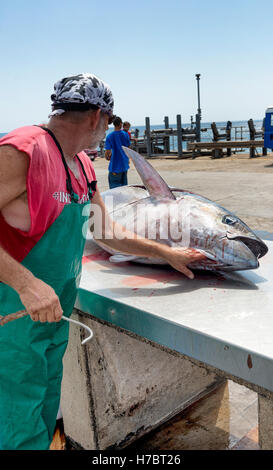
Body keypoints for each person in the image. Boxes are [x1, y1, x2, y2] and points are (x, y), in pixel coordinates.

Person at [0, 73, 205, 450]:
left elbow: (107, 233)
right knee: (14, 419)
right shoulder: (22, 150)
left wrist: (169, 253)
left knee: (43, 409)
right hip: (12, 320)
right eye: (109, 121)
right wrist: (26, 284)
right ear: (98, 116)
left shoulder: (80, 165)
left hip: (50, 317)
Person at [105, 116, 130, 188]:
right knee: (124, 188)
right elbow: (128, 149)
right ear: (121, 124)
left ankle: (110, 200)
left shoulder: (109, 136)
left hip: (115, 166)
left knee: (113, 191)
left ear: (114, 124)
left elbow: (107, 153)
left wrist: (108, 157)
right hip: (124, 165)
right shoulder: (126, 134)